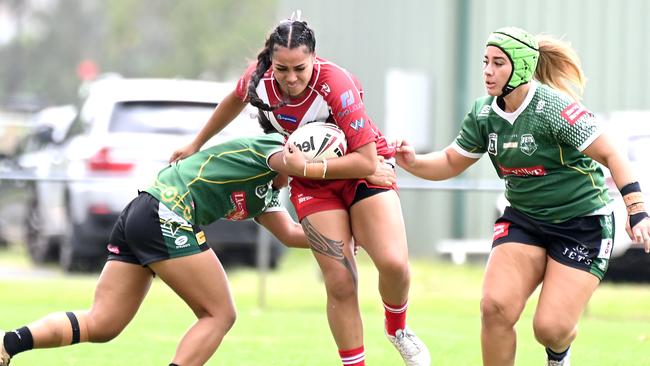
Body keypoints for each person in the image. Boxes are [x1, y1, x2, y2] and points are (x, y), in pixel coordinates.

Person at [0, 132, 395, 366]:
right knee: (219, 314)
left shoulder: (269, 192)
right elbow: (293, 160)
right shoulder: (274, 151)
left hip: (145, 212)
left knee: (102, 325)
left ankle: (8, 344)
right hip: (165, 212)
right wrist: (364, 167)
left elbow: (292, 234)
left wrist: (346, 238)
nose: (321, 180)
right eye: (323, 168)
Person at [170, 12, 430, 366]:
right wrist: (196, 143)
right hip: (313, 183)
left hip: (362, 168)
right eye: (282, 69)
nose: (290, 78)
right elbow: (234, 99)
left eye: (300, 69)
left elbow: (366, 161)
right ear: (271, 62)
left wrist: (304, 167)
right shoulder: (259, 78)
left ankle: (397, 328)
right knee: (339, 279)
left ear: (314, 59)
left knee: (394, 264)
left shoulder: (336, 84)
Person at [394, 26, 650, 366]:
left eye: (499, 63)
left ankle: (559, 354)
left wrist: (637, 210)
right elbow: (451, 161)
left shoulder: (554, 109)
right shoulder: (483, 114)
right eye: (485, 61)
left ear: (522, 67)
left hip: (583, 224)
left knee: (550, 328)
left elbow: (613, 154)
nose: (487, 71)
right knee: (494, 308)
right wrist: (413, 162)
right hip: (525, 220)